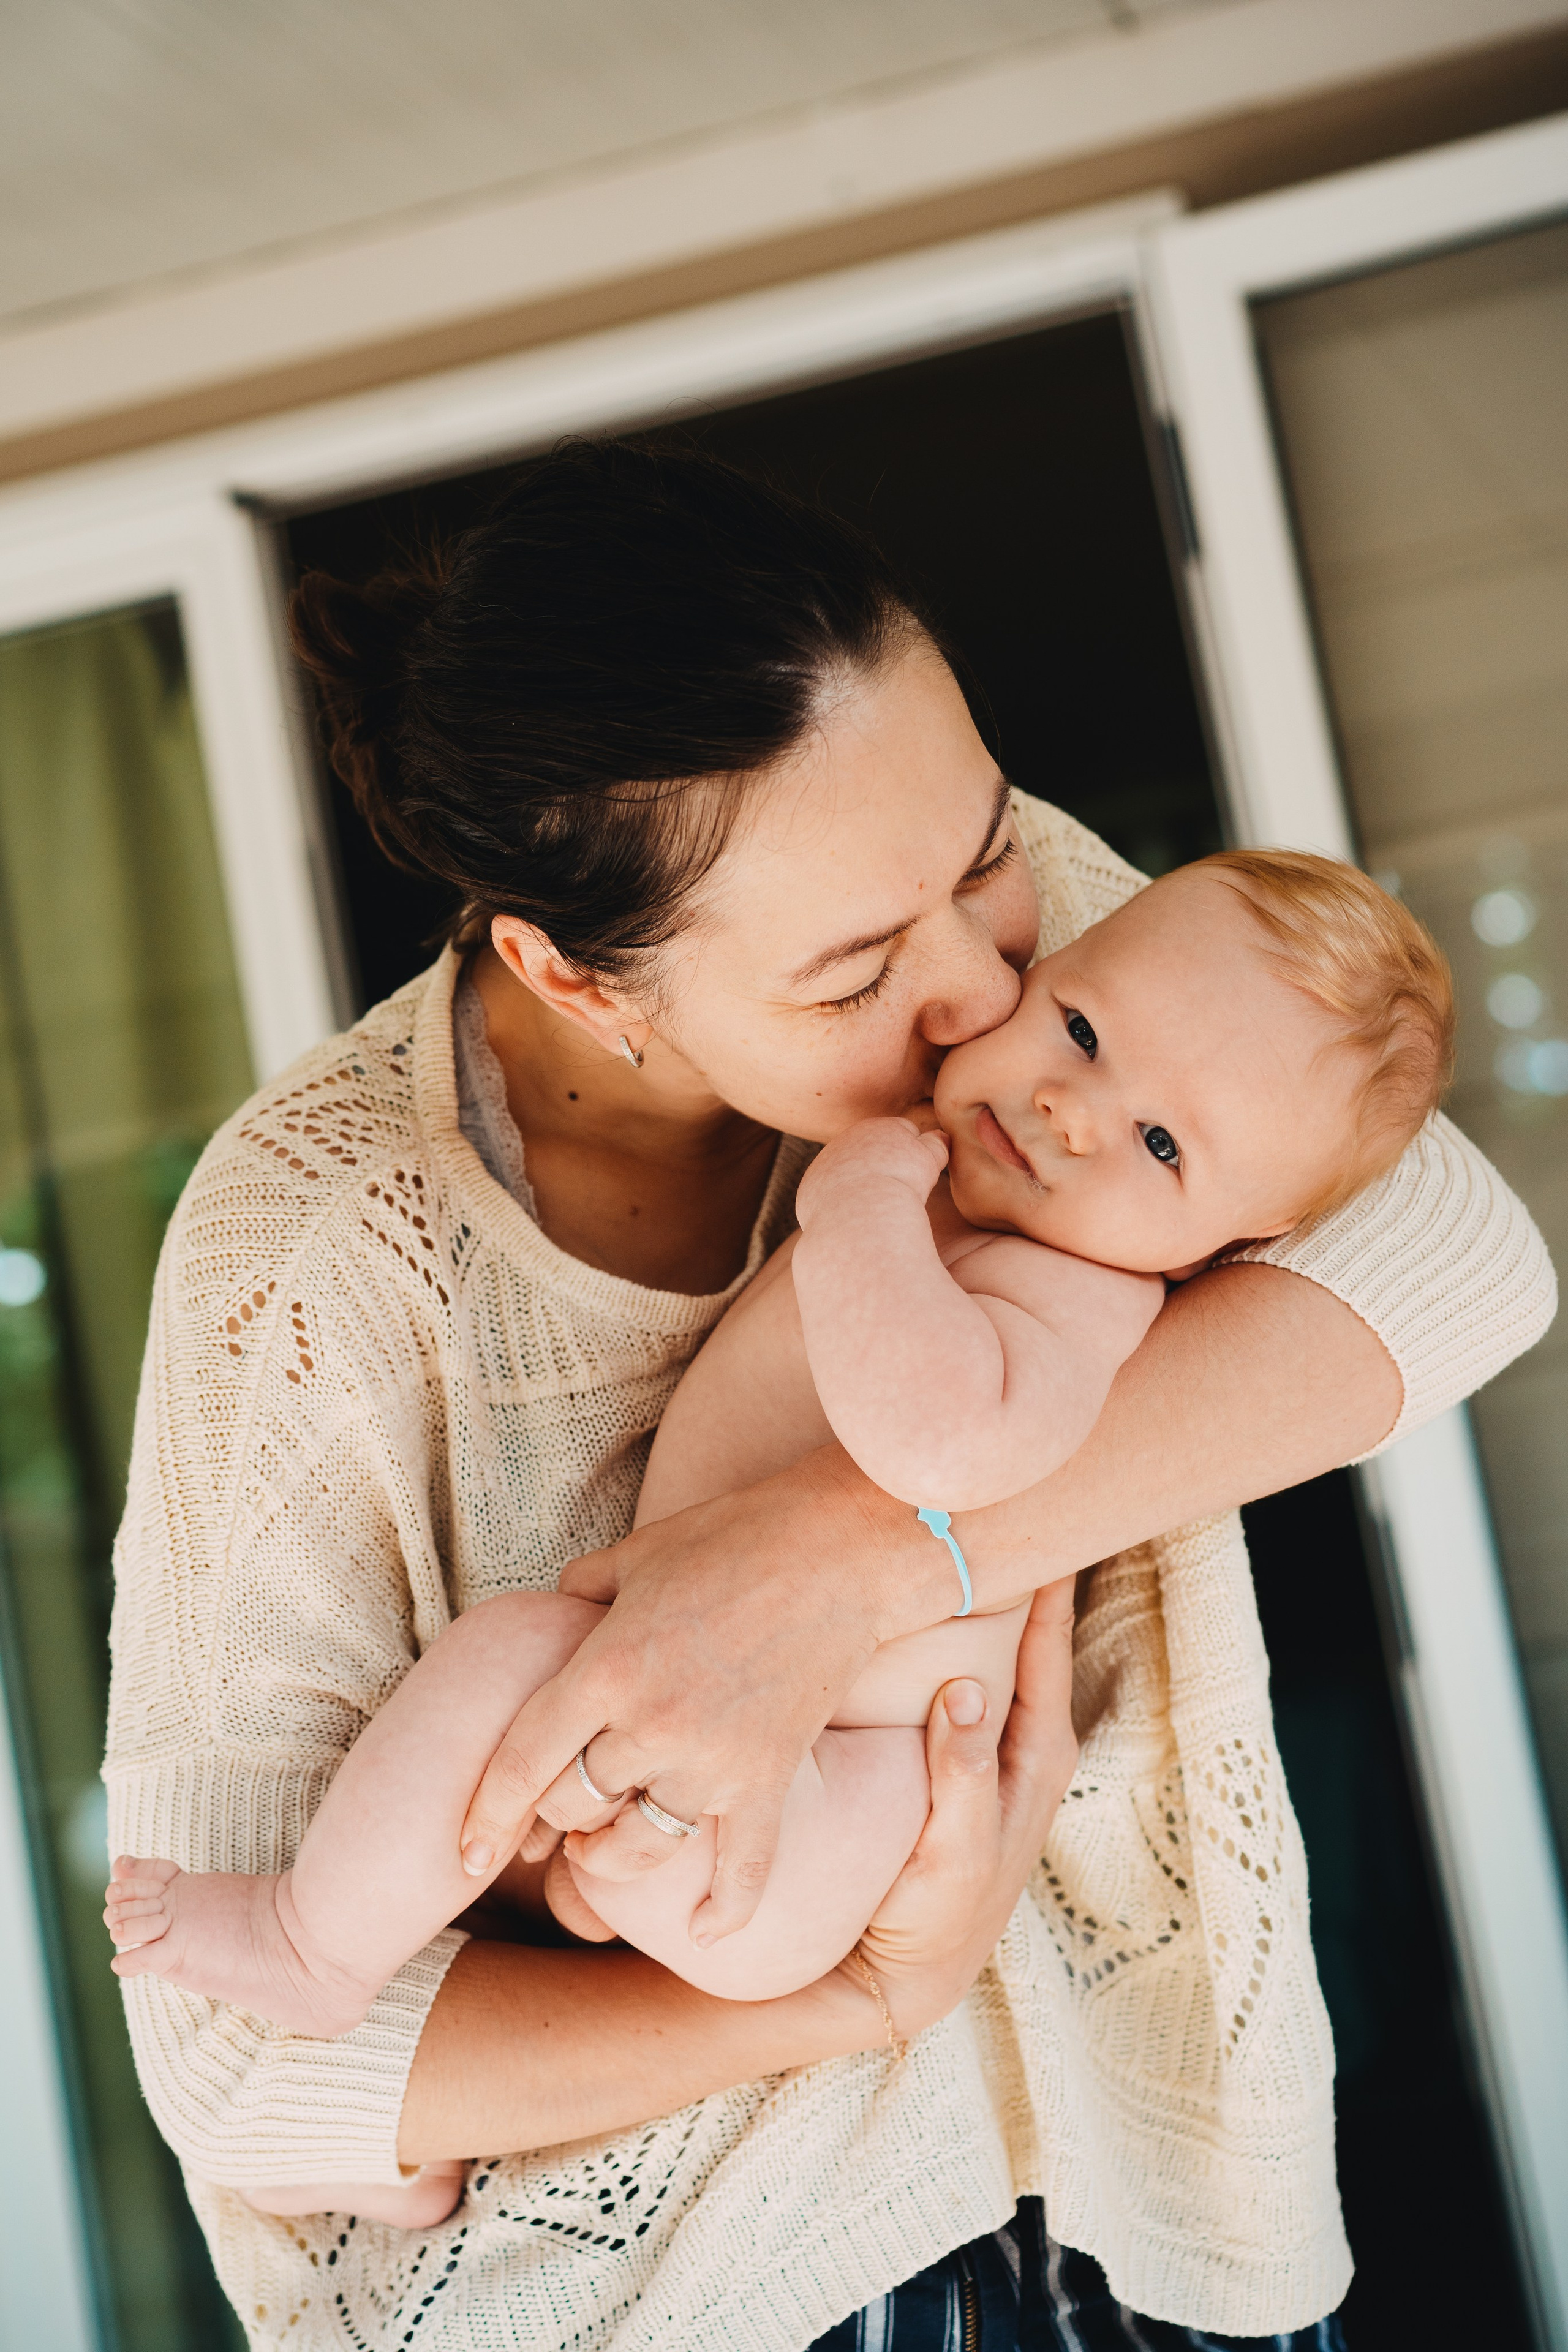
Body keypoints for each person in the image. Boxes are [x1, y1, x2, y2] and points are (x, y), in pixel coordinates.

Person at [104, 440, 1553, 2351]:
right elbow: (239, 2068)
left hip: (1134, 2214)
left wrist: (831, 1569)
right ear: (574, 976)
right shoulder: (311, 1251)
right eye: (863, 965)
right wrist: (854, 1994)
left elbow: (1458, 1258)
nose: (981, 997)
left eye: (984, 852)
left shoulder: (1023, 965)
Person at [105, 852, 1453, 2049]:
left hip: (832, 1807)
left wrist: (860, 1202)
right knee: (496, 1687)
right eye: (1080, 1027)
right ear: (1035, 976)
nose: (1070, 1110)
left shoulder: (1082, 1299)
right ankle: (351, 2041)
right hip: (702, 1724)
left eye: (1160, 1144)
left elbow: (933, 1440)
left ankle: (324, 1958)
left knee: (515, 1685)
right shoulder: (979, 1164)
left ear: (1218, 1251)